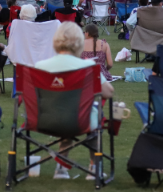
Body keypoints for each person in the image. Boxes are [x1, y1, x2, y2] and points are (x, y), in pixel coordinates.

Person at [32, 22, 113, 179]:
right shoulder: (87, 66)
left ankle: (61, 167)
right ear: (79, 42)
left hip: (44, 120)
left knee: (66, 115)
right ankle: (94, 167)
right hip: (81, 119)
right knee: (92, 116)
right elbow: (108, 92)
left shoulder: (40, 66)